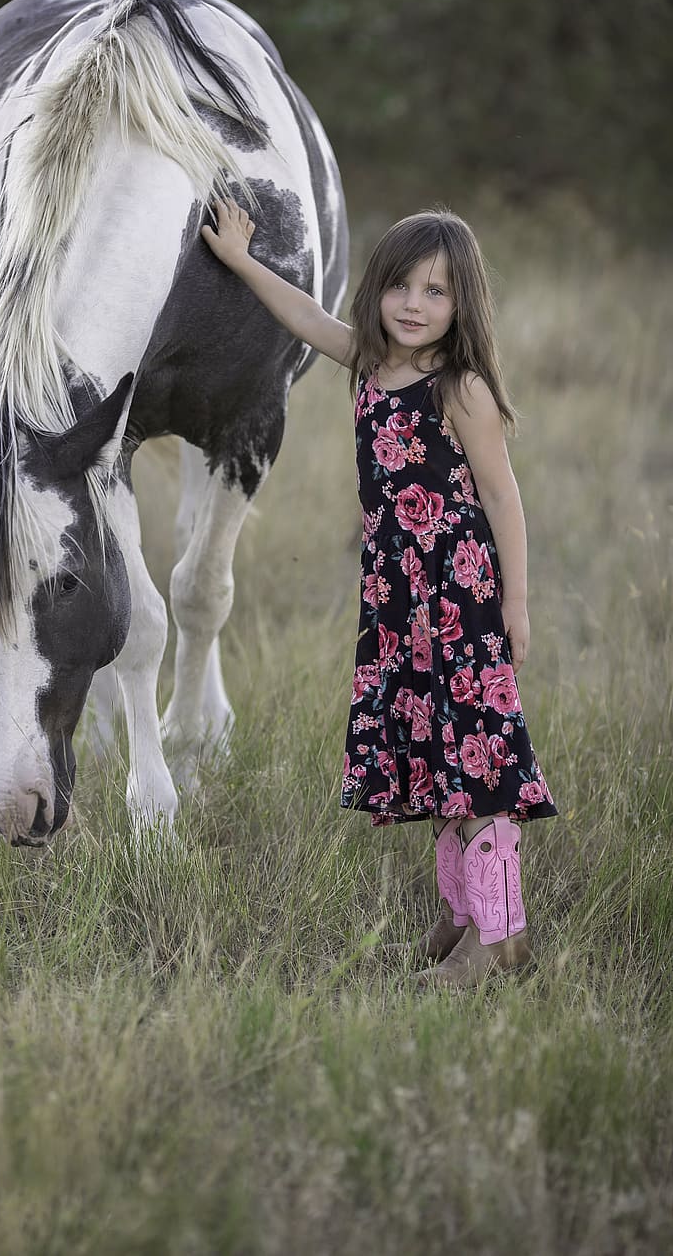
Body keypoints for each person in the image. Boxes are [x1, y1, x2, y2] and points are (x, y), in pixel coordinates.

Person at [202, 199, 557, 987]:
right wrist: (238, 258)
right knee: (434, 749)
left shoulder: (459, 387)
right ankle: (462, 914)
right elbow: (301, 314)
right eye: (400, 285)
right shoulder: (369, 361)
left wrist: (517, 605)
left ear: (462, 302)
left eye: (435, 291)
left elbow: (504, 500)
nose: (413, 305)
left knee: (481, 759)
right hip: (398, 600)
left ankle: (500, 938)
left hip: (459, 594)